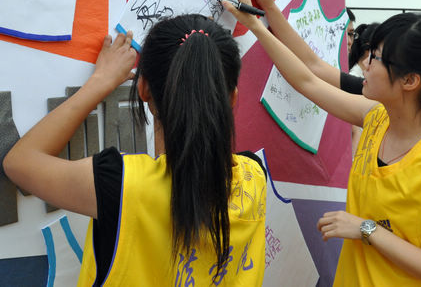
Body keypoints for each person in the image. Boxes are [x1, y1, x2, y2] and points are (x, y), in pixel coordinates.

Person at [223, 0, 421, 286]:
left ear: (410, 81)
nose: (365, 63)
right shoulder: (376, 118)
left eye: (377, 57)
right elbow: (308, 80)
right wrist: (257, 23)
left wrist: (368, 230)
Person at [3, 15, 266, 286]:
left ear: (143, 88)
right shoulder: (256, 177)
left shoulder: (121, 184)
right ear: (232, 97)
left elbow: (19, 162)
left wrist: (100, 80)